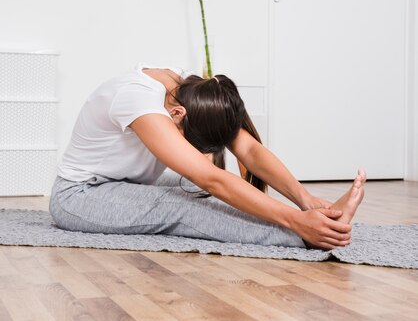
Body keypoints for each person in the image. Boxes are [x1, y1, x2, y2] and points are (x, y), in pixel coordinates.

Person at [49, 62, 367, 250]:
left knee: (195, 191)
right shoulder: (138, 101)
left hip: (124, 184)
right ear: (176, 114)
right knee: (184, 203)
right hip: (79, 196)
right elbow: (212, 178)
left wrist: (305, 200)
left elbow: (249, 150)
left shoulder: (190, 94)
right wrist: (296, 222)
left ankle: (312, 224)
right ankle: (306, 237)